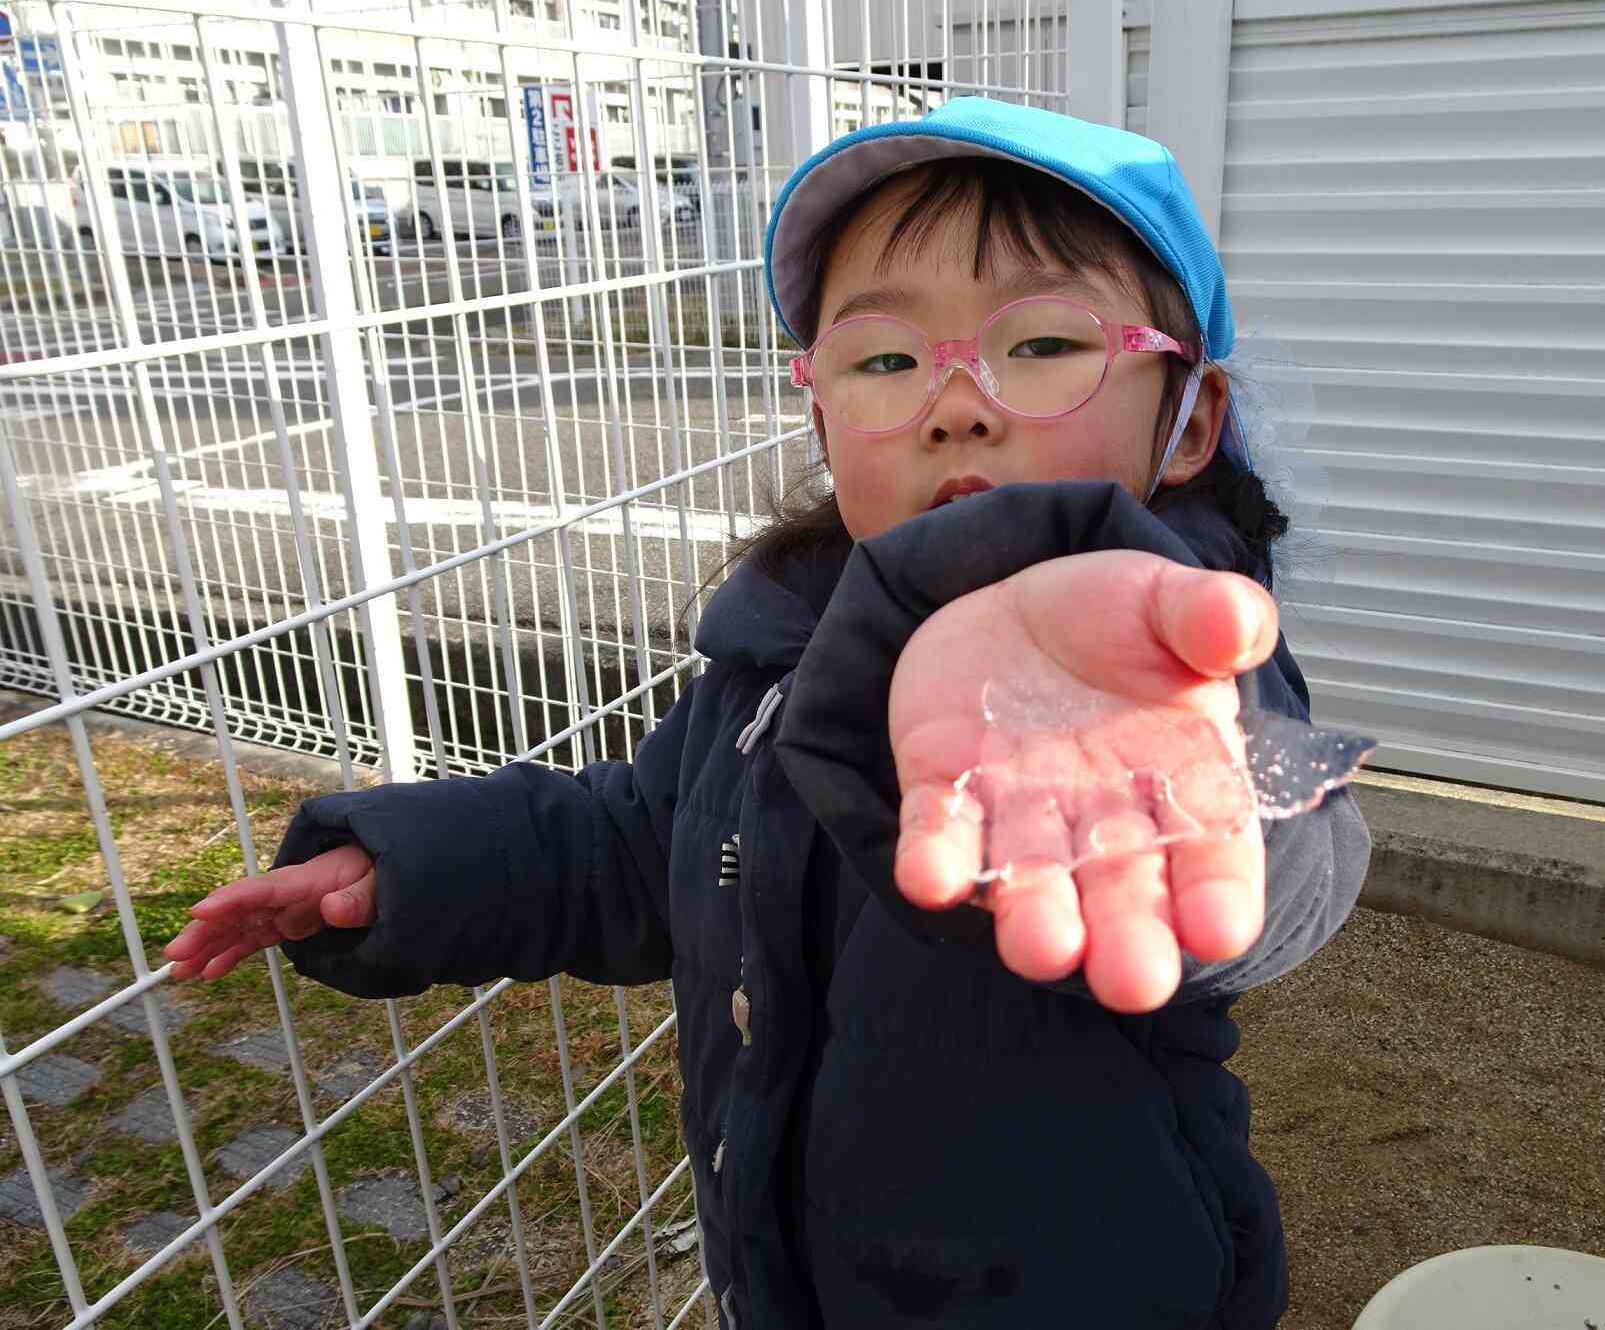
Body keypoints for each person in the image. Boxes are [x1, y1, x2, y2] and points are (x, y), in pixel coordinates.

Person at [163, 98, 1373, 1329]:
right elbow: (636, 839)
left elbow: (1290, 862)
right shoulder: (776, 650)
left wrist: (1156, 792)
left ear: (1191, 420)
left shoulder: (1177, 650)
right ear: (823, 420)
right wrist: (414, 867)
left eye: (1047, 341)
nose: (957, 402)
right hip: (791, 1268)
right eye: (886, 359)